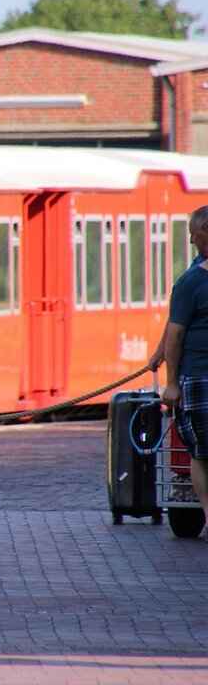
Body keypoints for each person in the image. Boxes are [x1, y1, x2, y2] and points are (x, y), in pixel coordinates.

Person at [158, 205, 208, 534]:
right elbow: (175, 332)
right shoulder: (190, 281)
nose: (190, 240)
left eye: (194, 233)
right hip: (199, 376)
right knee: (202, 453)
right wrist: (171, 380)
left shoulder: (191, 280)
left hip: (198, 377)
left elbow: (175, 331)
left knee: (202, 453)